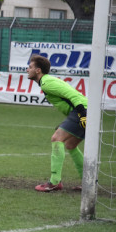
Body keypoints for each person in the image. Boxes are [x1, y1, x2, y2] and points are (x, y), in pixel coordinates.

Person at [27, 55, 87, 192]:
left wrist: (83, 115)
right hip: (82, 111)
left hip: (82, 111)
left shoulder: (47, 83)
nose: (27, 70)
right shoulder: (47, 82)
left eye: (30, 67)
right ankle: (88, 182)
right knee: (70, 145)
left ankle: (54, 182)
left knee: (56, 138)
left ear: (38, 70)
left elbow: (74, 96)